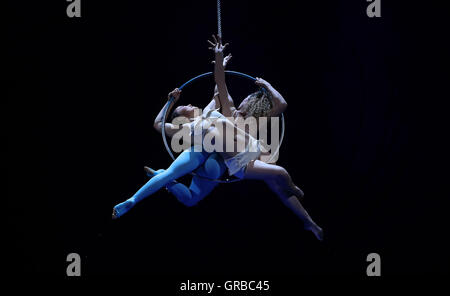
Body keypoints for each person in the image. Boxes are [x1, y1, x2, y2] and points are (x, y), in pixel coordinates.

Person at [112, 36, 323, 241]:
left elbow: (279, 104)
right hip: (217, 155)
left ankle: (307, 220)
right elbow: (219, 83)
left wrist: (261, 83)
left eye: (250, 100)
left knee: (275, 179)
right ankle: (136, 197)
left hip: (232, 156)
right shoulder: (216, 112)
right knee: (181, 175)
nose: (246, 101)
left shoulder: (242, 119)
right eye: (185, 107)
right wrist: (217, 66)